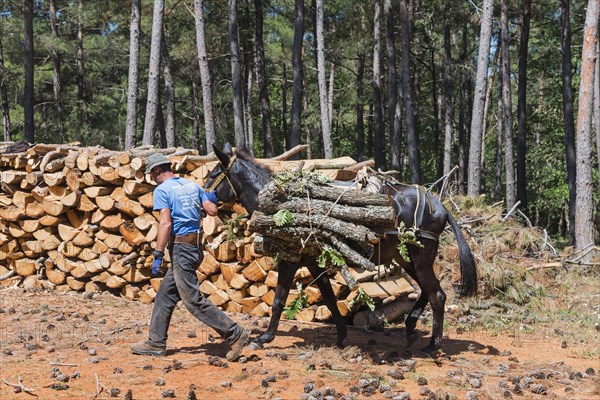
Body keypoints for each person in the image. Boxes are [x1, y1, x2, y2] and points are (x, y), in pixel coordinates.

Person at [131, 152, 250, 361]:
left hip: (181, 249)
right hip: (195, 249)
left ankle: (235, 333)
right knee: (165, 295)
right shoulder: (192, 185)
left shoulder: (162, 190)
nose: (150, 177)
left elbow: (165, 223)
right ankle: (155, 342)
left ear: (158, 170)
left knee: (192, 300)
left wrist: (158, 253)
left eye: (150, 173)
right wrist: (207, 199)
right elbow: (212, 211)